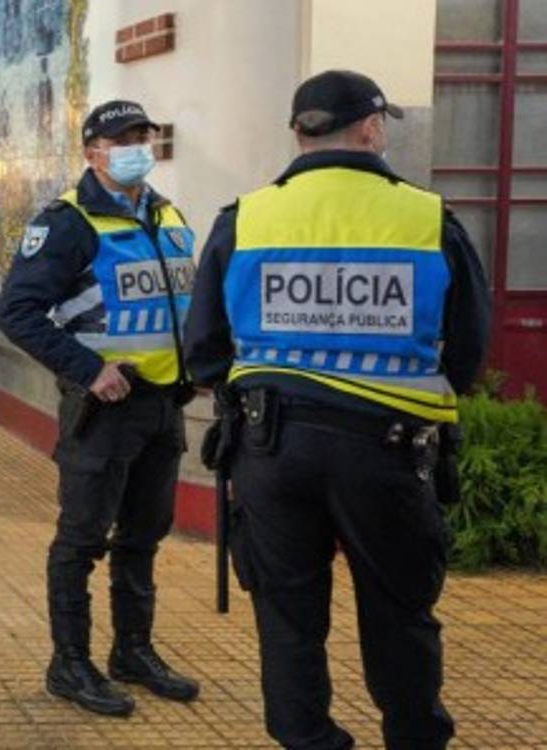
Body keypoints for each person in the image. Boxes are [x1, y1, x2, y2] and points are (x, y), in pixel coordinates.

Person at [184, 70, 491, 750]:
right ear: (372, 127)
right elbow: (467, 349)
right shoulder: (425, 217)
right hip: (386, 450)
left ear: (299, 132)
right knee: (398, 614)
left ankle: (309, 741)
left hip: (269, 448)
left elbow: (202, 347)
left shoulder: (245, 217)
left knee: (288, 618)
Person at [0, 99, 200, 718]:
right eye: (122, 137)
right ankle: (69, 662)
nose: (138, 144)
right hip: (104, 408)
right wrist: (89, 370)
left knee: (144, 535)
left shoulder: (165, 215)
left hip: (163, 404)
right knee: (82, 538)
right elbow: (18, 313)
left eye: (144, 134)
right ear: (92, 152)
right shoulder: (68, 222)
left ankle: (132, 650)